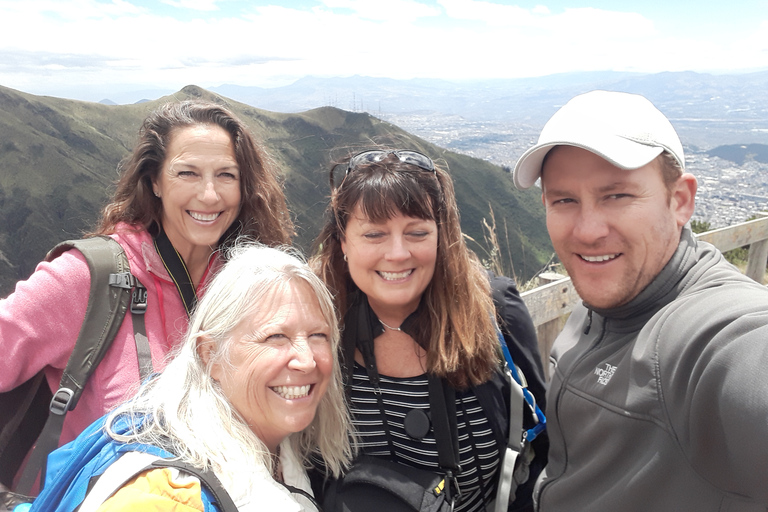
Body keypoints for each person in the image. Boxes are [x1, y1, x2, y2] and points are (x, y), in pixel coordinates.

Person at [0, 100, 294, 475]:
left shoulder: (244, 284)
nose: (209, 195)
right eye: (187, 173)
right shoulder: (89, 278)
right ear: (154, 180)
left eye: (226, 175)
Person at [513, 90, 768, 511]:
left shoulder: (709, 333)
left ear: (680, 200)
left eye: (617, 195)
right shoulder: (601, 304)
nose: (588, 230)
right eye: (564, 200)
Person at [28, 243, 353, 511]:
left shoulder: (278, 447)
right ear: (208, 354)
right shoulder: (165, 496)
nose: (307, 360)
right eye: (275, 337)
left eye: (318, 336)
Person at [312, 149, 547, 512]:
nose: (397, 253)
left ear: (442, 236)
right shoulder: (316, 326)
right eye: (374, 233)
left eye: (417, 232)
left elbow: (543, 447)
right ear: (343, 241)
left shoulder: (494, 312)